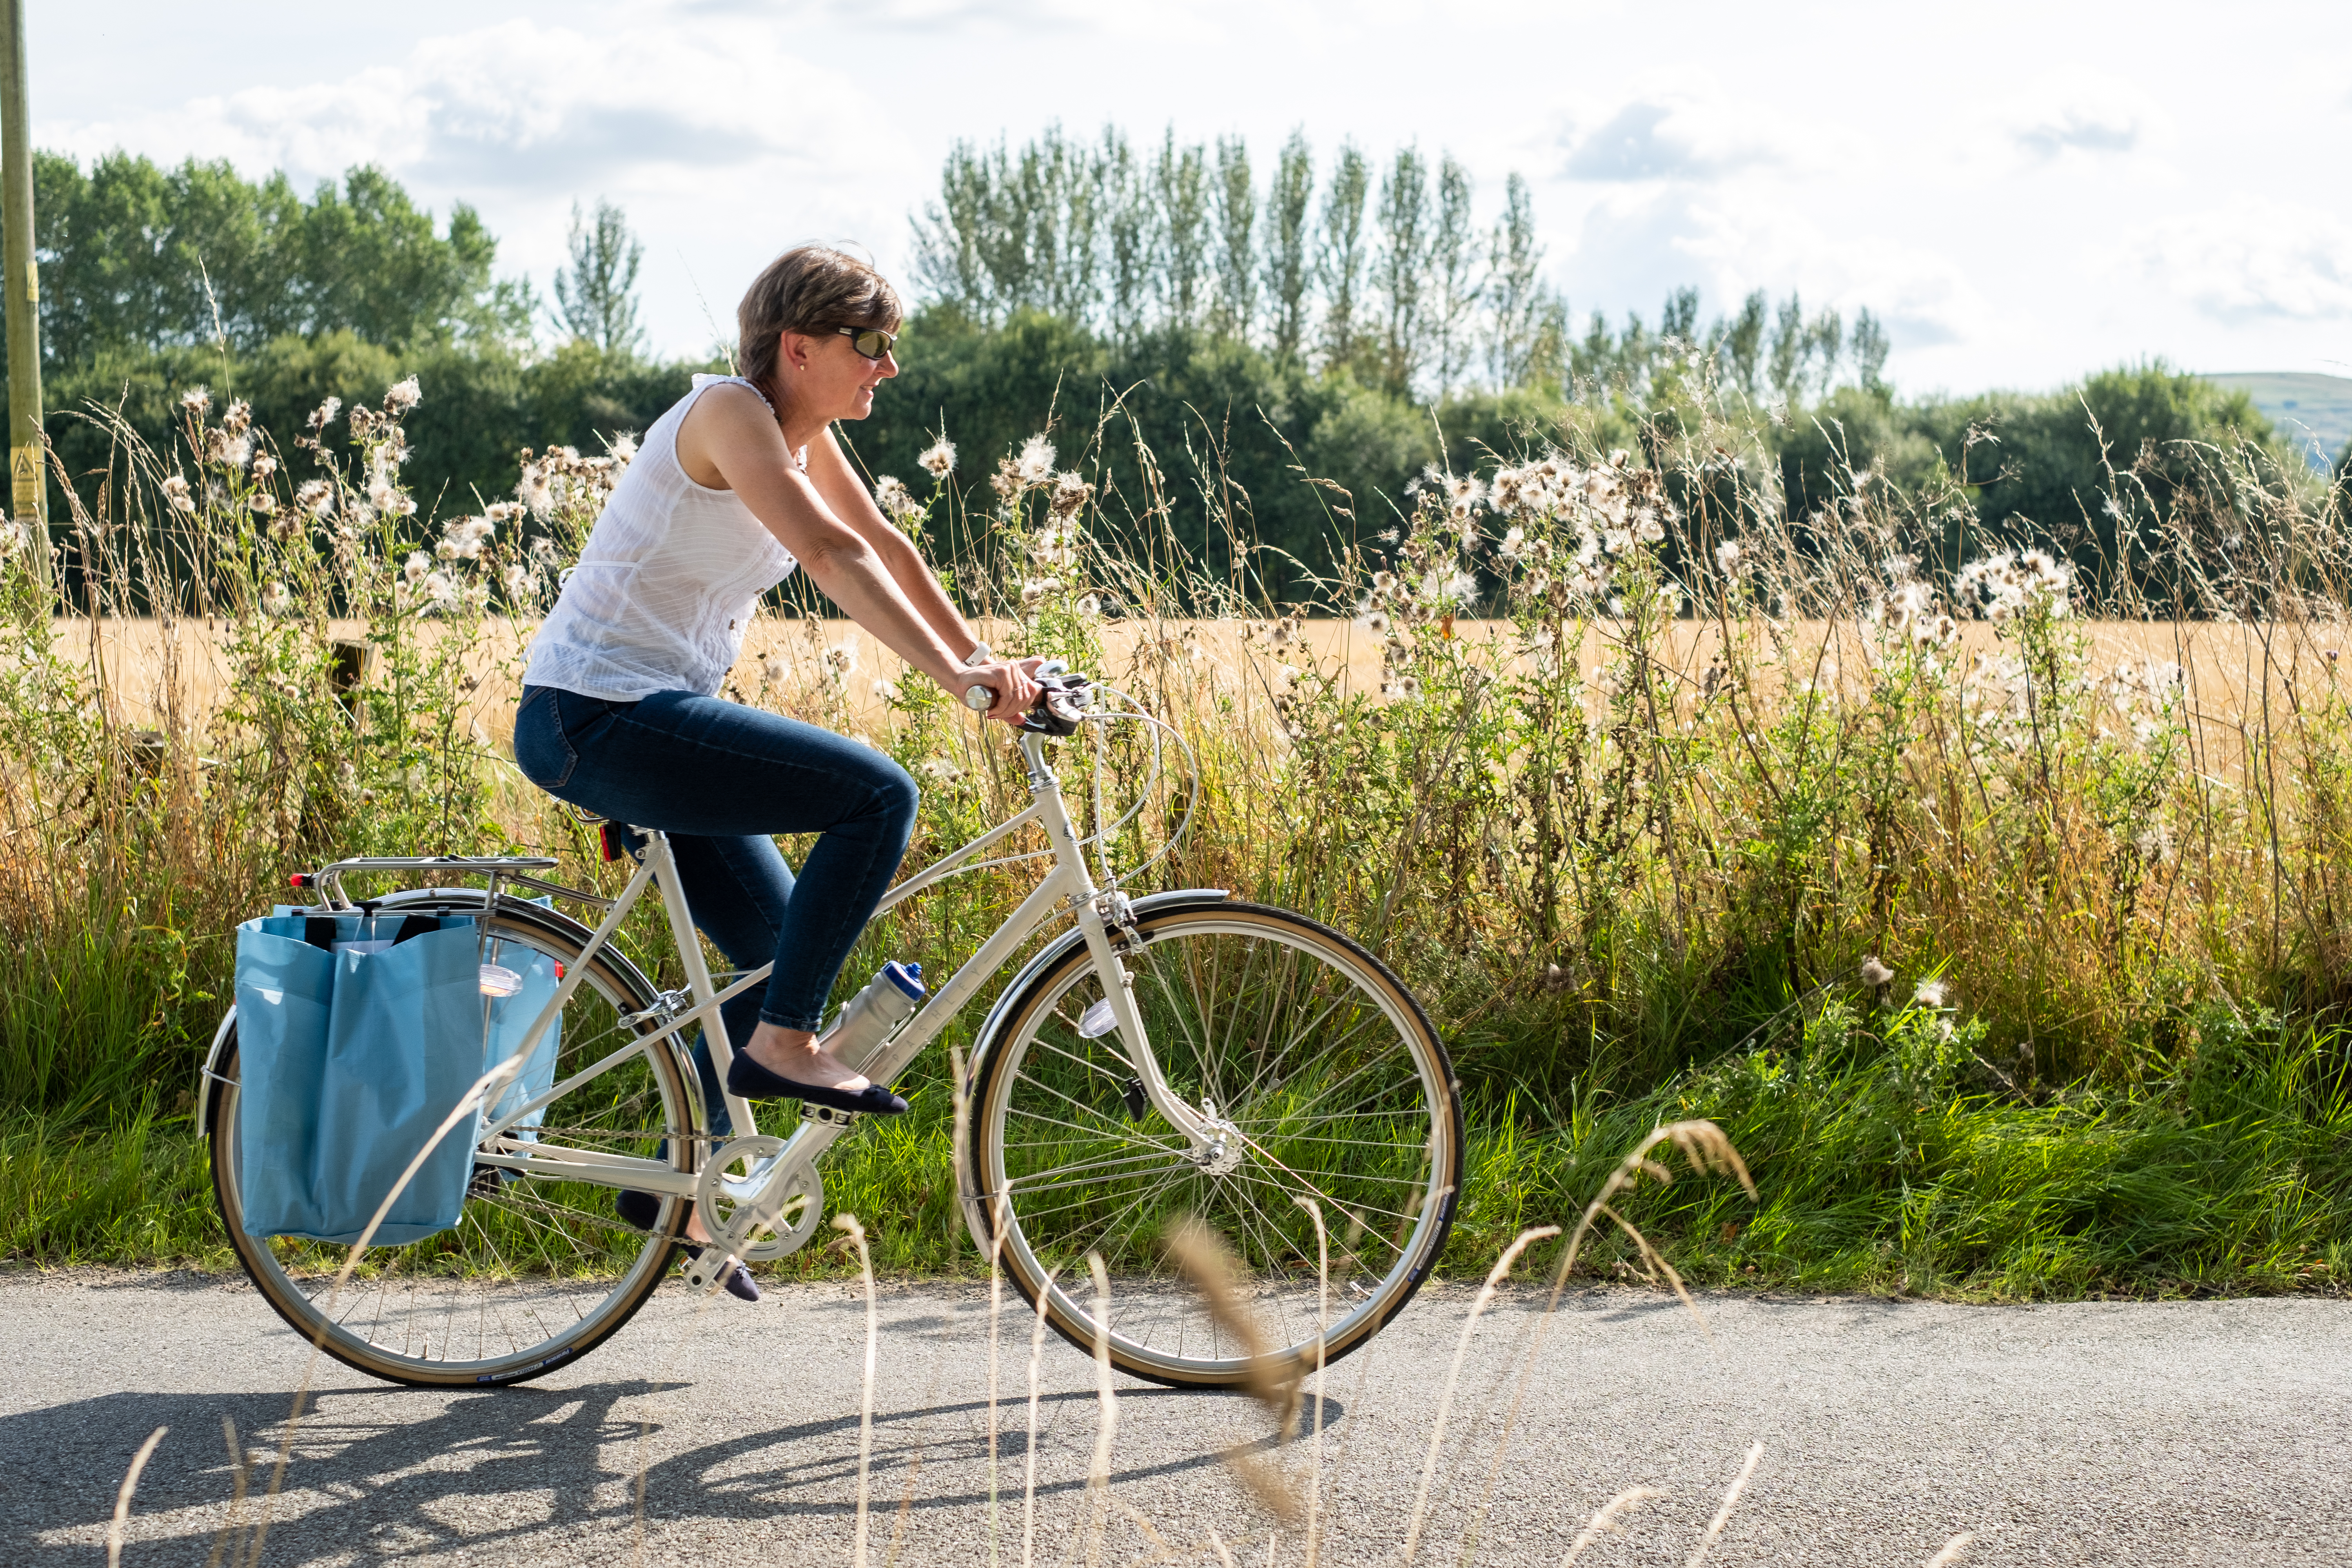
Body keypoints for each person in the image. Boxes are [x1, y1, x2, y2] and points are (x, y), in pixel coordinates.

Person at [511, 246, 1041, 1295]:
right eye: (871, 345)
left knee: (767, 953)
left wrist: (982, 658)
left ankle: (678, 1193)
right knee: (877, 795)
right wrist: (953, 681)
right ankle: (788, 1048)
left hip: (659, 715)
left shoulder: (801, 433)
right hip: (596, 716)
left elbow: (880, 540)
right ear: (798, 347)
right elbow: (830, 560)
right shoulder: (730, 416)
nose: (887, 367)